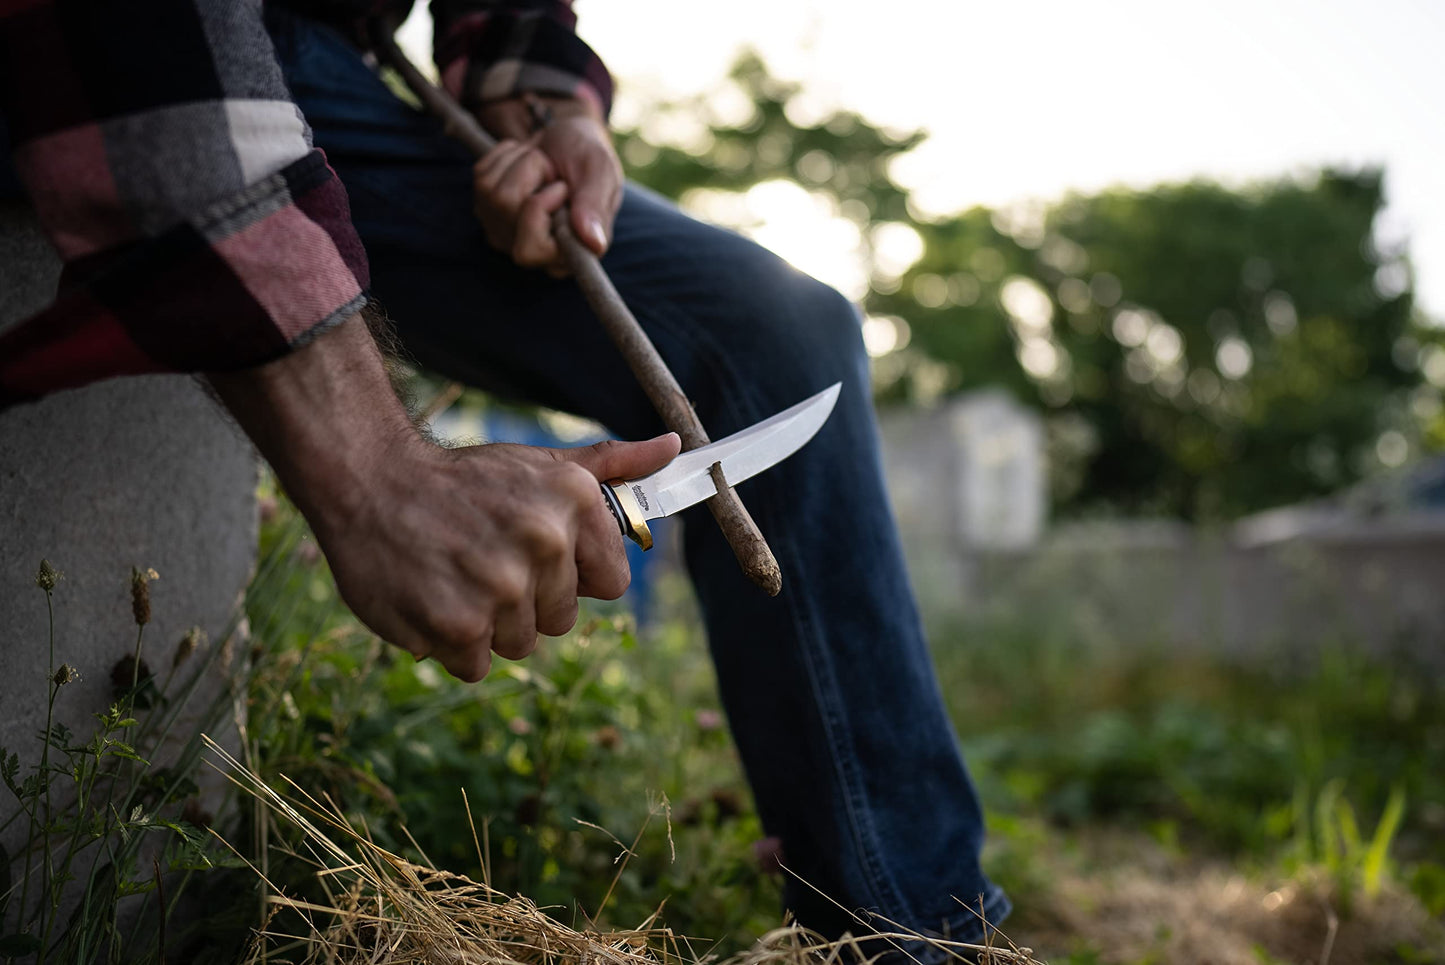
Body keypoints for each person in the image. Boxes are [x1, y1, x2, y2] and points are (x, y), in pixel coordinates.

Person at [0, 0, 1008, 949]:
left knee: (784, 333)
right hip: (152, 46)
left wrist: (548, 112)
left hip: (325, 64)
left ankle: (914, 937)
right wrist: (375, 470)